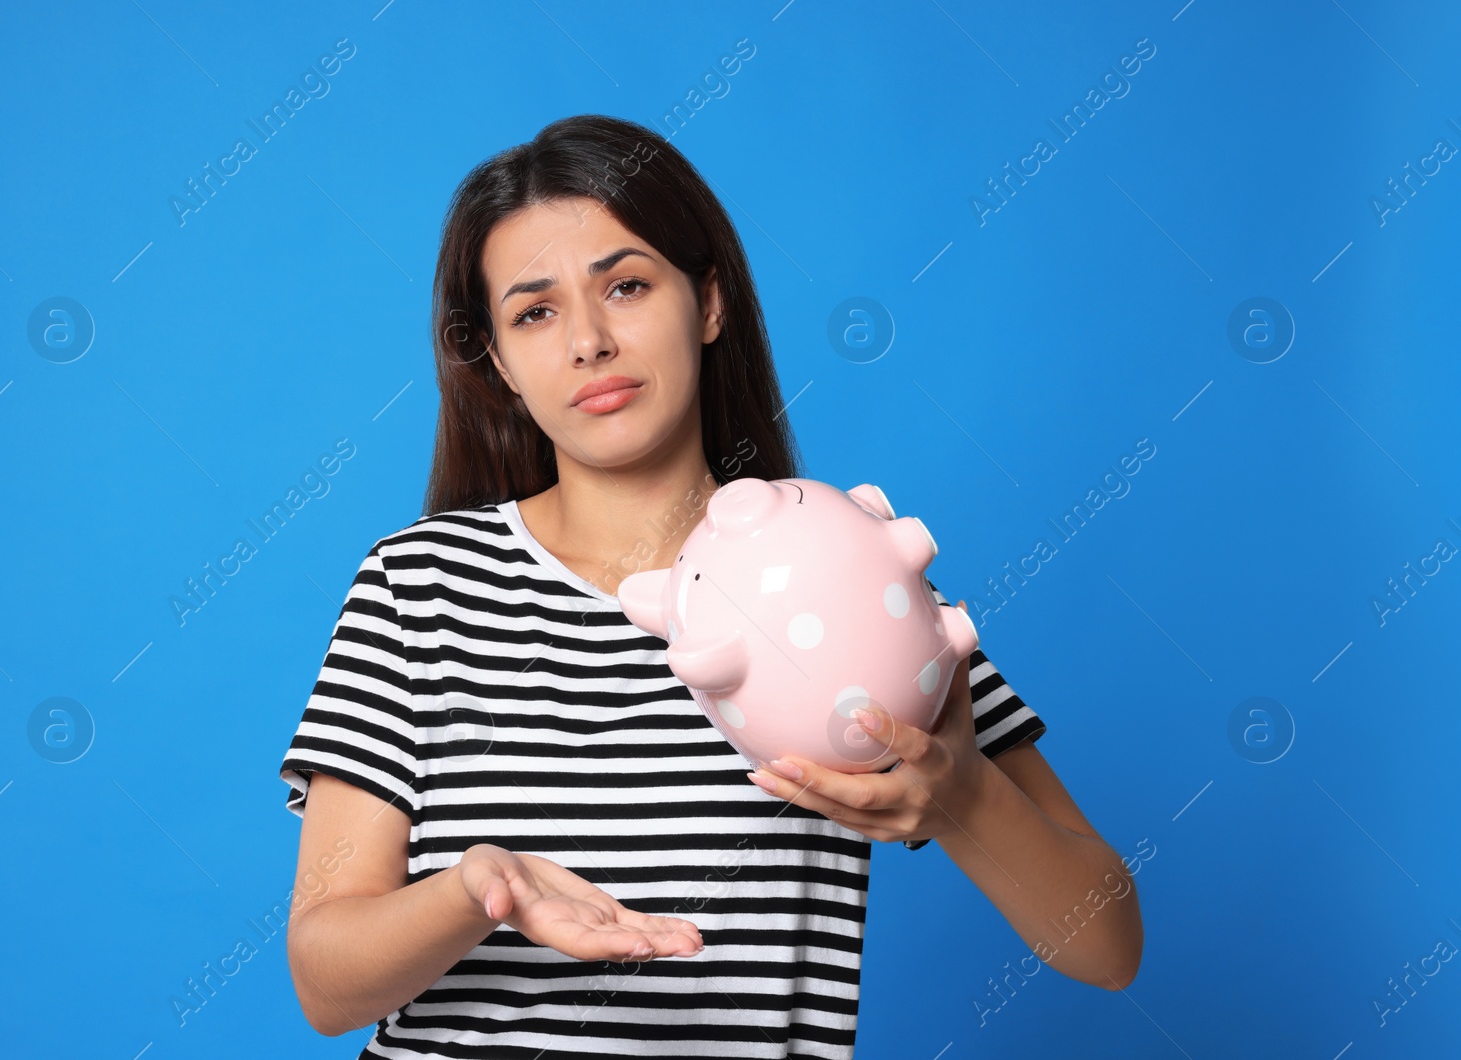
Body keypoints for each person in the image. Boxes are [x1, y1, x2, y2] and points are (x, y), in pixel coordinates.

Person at [277, 114, 1142, 1058]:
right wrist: (481, 887)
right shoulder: (419, 587)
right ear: (499, 367)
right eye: (535, 312)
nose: (589, 341)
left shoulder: (843, 566)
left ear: (710, 302)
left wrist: (962, 799)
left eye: (628, 286)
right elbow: (327, 983)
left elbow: (1107, 943)